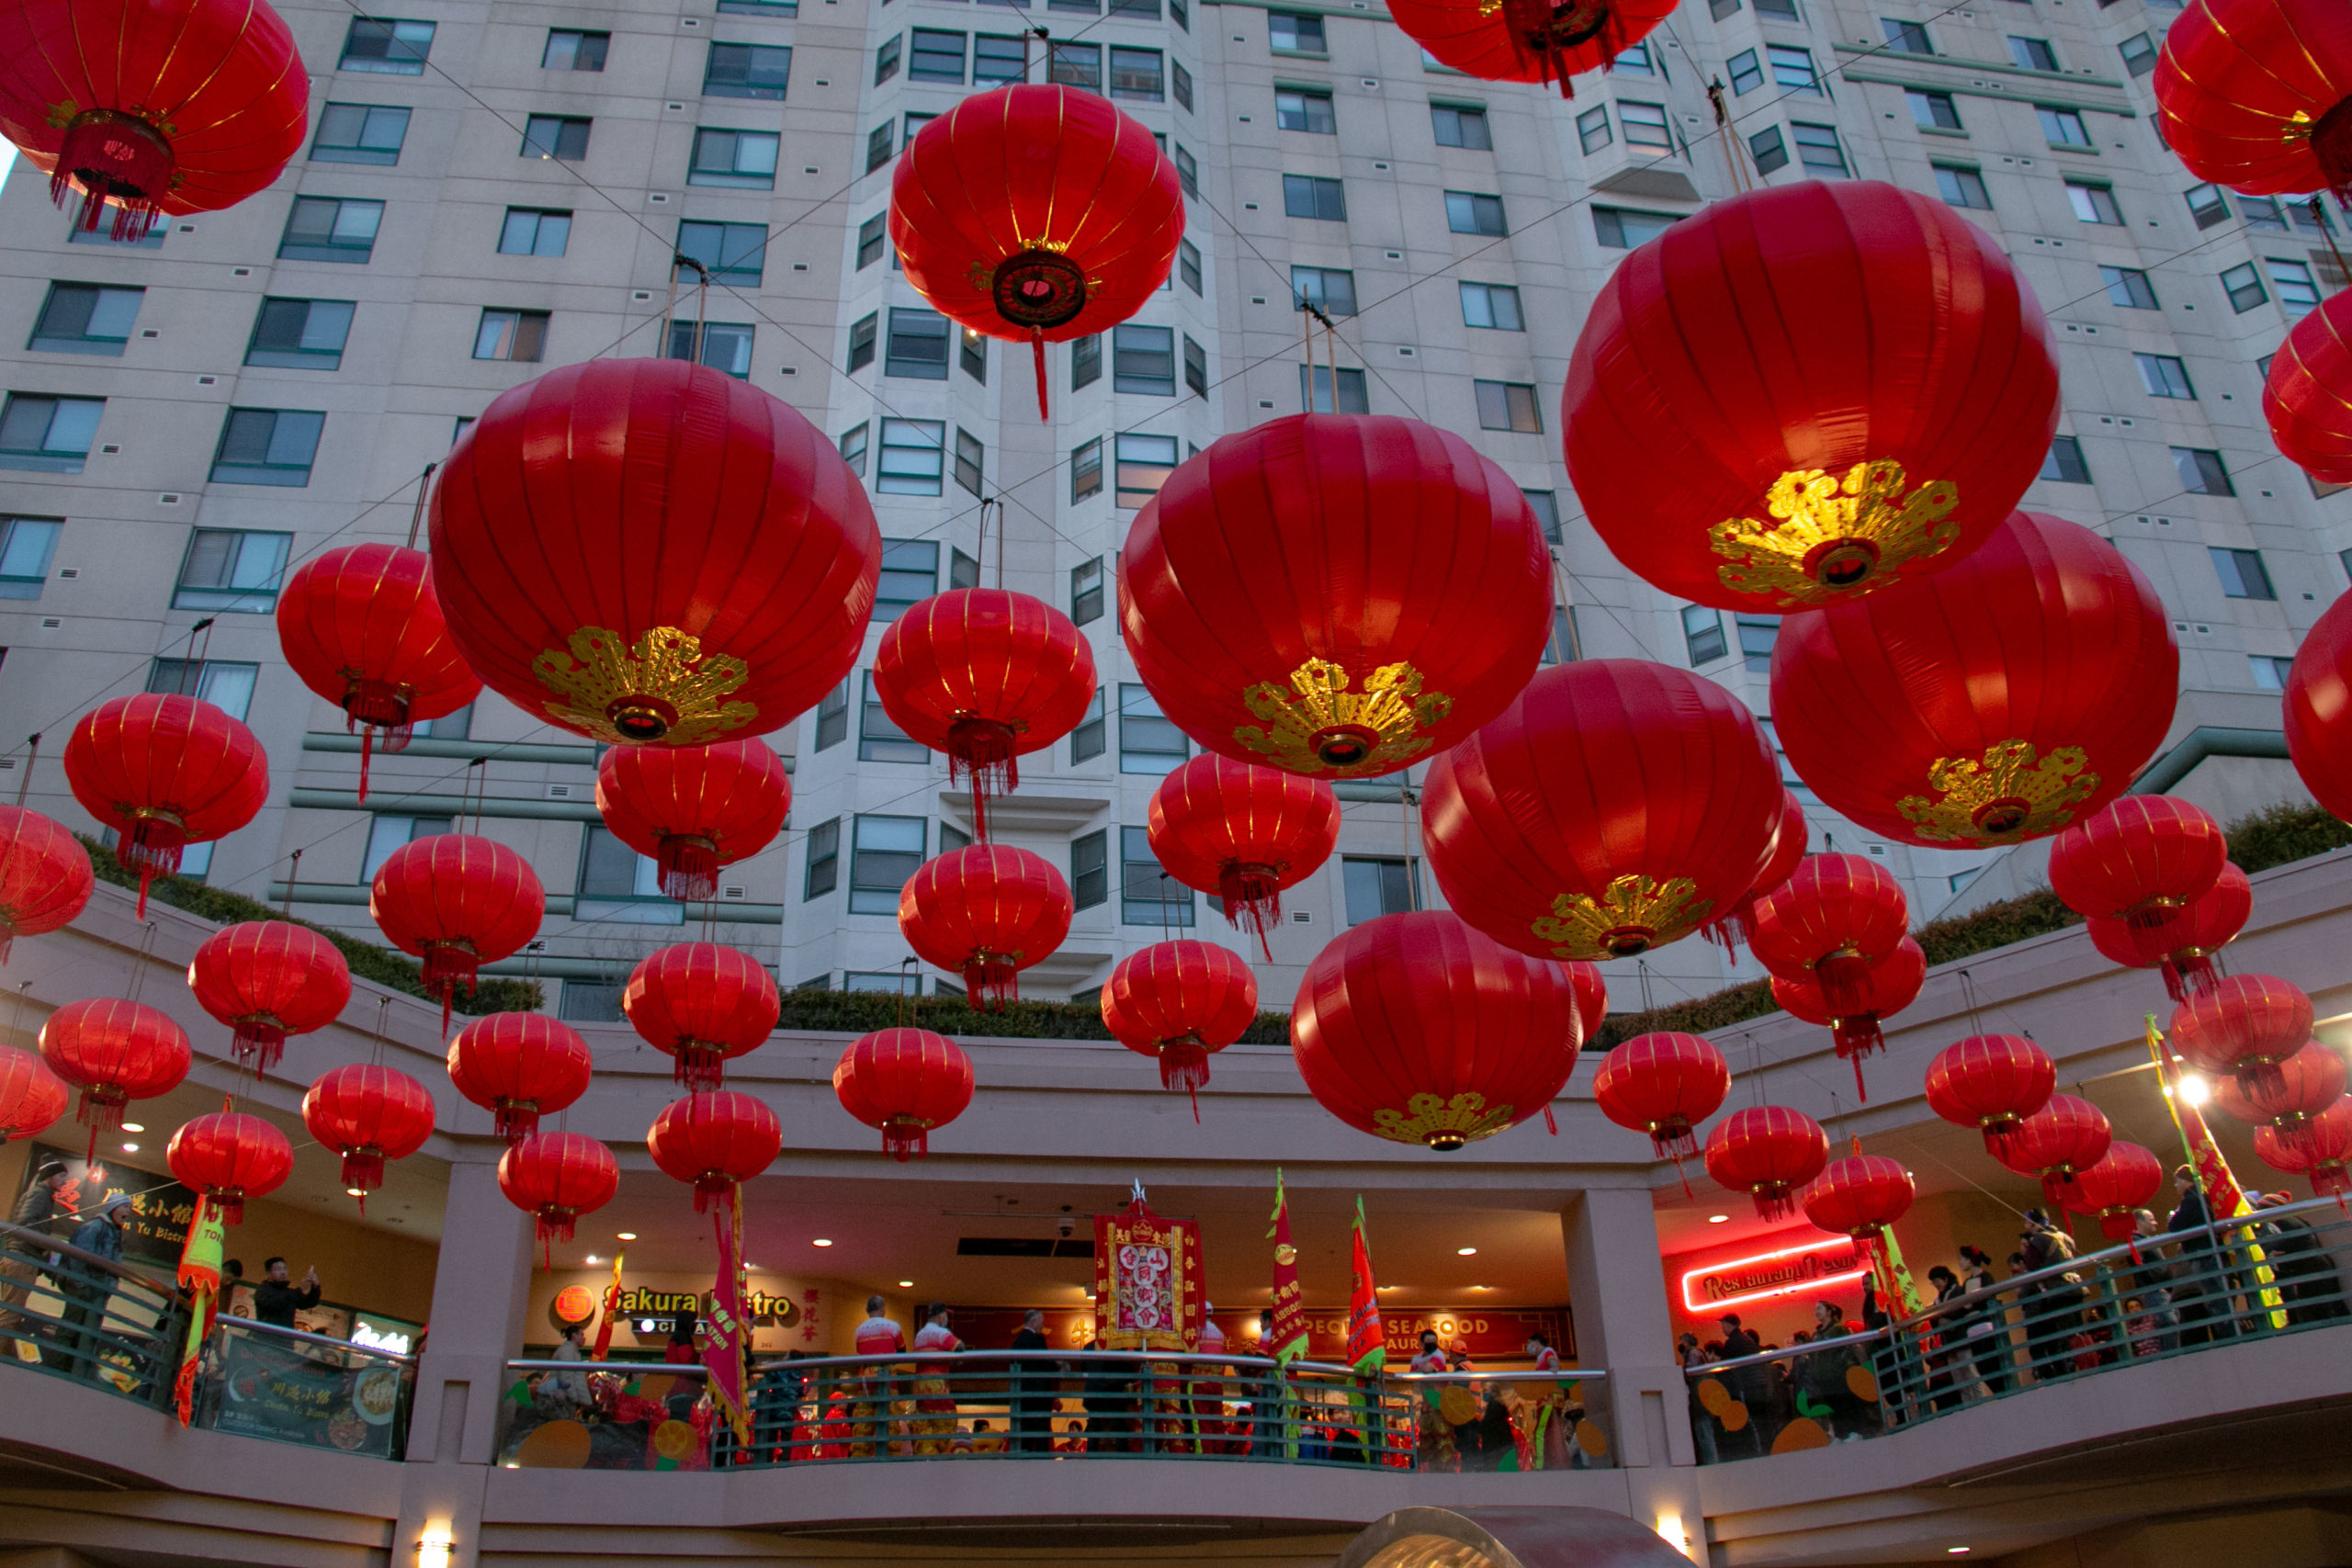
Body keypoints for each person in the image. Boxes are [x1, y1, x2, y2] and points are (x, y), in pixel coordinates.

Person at [60, 1194, 130, 1381]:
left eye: (128, 1208)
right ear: (112, 1208)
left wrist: (110, 1287)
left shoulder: (116, 1231)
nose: (127, 1212)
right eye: (123, 1207)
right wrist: (81, 1284)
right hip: (84, 1286)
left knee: (87, 1333)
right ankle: (57, 1368)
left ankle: (75, 1374)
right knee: (70, 1328)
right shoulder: (94, 1227)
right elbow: (79, 1257)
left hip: (98, 1289)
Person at [0, 1159, 71, 1341]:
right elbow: (25, 1223)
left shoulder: (40, 1195)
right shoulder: (39, 1195)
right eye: (62, 1176)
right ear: (50, 1176)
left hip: (18, 1256)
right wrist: (44, 1245)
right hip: (22, 1259)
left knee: (11, 1312)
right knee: (10, 1314)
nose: (65, 1182)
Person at [2164, 1167, 2230, 1347]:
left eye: (2177, 1181)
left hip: (2203, 1254)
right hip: (2215, 1252)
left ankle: (2227, 1338)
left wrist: (2172, 1218)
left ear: (2186, 1181)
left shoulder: (2192, 1200)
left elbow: (2176, 1226)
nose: (2176, 1185)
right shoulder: (2207, 1198)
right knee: (2221, 1298)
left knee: (2215, 1300)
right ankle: (2227, 1335)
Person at [2015, 1210, 2080, 1382]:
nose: (2025, 1226)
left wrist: (2023, 1294)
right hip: (2075, 1287)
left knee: (2058, 1339)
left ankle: (2066, 1376)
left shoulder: (2038, 1240)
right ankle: (2074, 1369)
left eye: (2026, 1222)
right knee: (2073, 1335)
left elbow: (2033, 1268)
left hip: (2057, 1291)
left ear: (2033, 1223)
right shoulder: (2064, 1237)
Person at [852, 1295, 907, 1457]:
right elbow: (902, 1351)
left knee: (863, 1423)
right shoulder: (893, 1327)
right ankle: (888, 1457)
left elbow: (860, 1351)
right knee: (890, 1421)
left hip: (865, 1381)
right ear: (882, 1308)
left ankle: (860, 1458)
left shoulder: (859, 1330)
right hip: (887, 1380)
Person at [910, 1303, 964, 1456]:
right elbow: (960, 1348)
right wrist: (955, 1359)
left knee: (925, 1434)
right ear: (940, 1316)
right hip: (937, 1388)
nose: (946, 1318)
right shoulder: (942, 1333)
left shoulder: (919, 1335)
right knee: (946, 1426)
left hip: (919, 1391)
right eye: (945, 1315)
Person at [1009, 1307, 1057, 1454]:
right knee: (1041, 1432)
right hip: (1039, 1394)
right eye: (1041, 1322)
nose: (1042, 1326)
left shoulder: (1017, 1342)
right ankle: (1041, 1464)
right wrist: (1058, 1365)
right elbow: (1046, 1363)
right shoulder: (1038, 1339)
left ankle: (1024, 1460)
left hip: (1023, 1395)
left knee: (1025, 1433)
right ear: (1034, 1321)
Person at [252, 1257, 322, 1329]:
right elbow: (275, 1303)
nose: (283, 1272)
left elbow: (308, 1303)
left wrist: (315, 1287)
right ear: (268, 1273)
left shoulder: (289, 1292)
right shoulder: (263, 1290)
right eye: (278, 1269)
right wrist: (300, 1289)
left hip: (285, 1337)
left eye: (285, 1269)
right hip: (265, 1336)